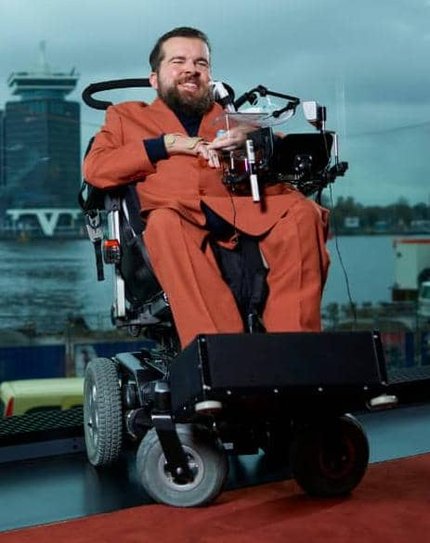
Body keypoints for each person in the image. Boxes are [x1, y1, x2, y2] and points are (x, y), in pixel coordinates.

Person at [83, 26, 330, 349]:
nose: (191, 69)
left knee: (302, 213)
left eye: (201, 63)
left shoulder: (232, 117)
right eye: (178, 61)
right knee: (164, 224)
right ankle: (219, 355)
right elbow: (97, 169)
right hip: (176, 215)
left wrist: (253, 140)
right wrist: (166, 145)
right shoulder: (126, 117)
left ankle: (298, 347)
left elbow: (285, 154)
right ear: (154, 79)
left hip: (244, 212)